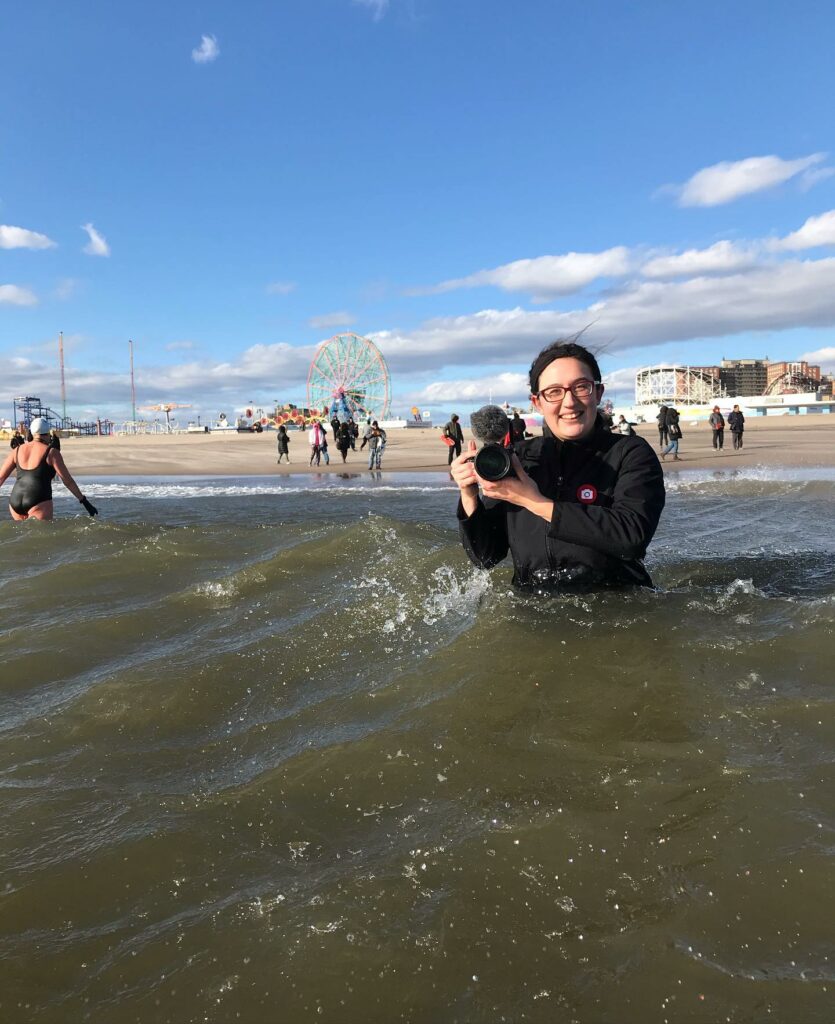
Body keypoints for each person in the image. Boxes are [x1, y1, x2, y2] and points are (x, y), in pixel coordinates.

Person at [450, 339, 665, 590]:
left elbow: (631, 537)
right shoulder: (518, 459)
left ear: (598, 392)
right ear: (537, 402)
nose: (569, 401)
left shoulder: (630, 453)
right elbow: (485, 557)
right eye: (554, 392)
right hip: (533, 606)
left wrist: (534, 501)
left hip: (617, 608)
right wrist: (469, 495)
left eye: (581, 387)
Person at [0, 417, 98, 521]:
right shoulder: (51, 452)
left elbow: (1, 477)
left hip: (15, 501)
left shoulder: (17, 450)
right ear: (47, 433)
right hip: (38, 500)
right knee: (41, 535)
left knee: (22, 535)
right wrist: (84, 501)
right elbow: (67, 481)